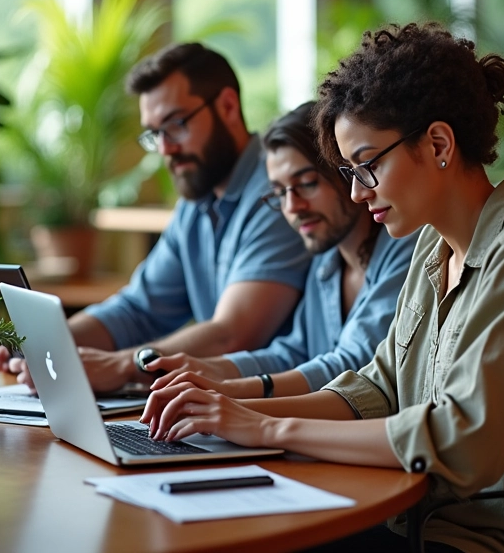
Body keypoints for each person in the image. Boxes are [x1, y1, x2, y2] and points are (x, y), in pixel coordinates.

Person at [140, 24, 504, 553]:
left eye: (367, 167)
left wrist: (268, 430)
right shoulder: (436, 249)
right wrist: (228, 405)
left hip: (488, 542)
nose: (358, 194)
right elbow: (377, 389)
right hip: (413, 522)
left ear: (438, 144)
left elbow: (460, 442)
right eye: (348, 172)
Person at [0, 42, 310, 392]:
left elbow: (231, 335)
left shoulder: (280, 193)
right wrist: (43, 342)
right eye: (155, 133)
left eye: (176, 125)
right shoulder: (196, 201)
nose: (165, 149)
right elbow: (138, 310)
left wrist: (122, 367)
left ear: (229, 106)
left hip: (276, 406)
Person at [145, 101, 418, 398]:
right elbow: (293, 353)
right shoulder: (326, 262)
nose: (292, 207)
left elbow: (353, 366)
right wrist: (204, 369)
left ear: (347, 174)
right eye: (279, 192)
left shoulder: (404, 247)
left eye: (307, 183)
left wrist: (232, 390)